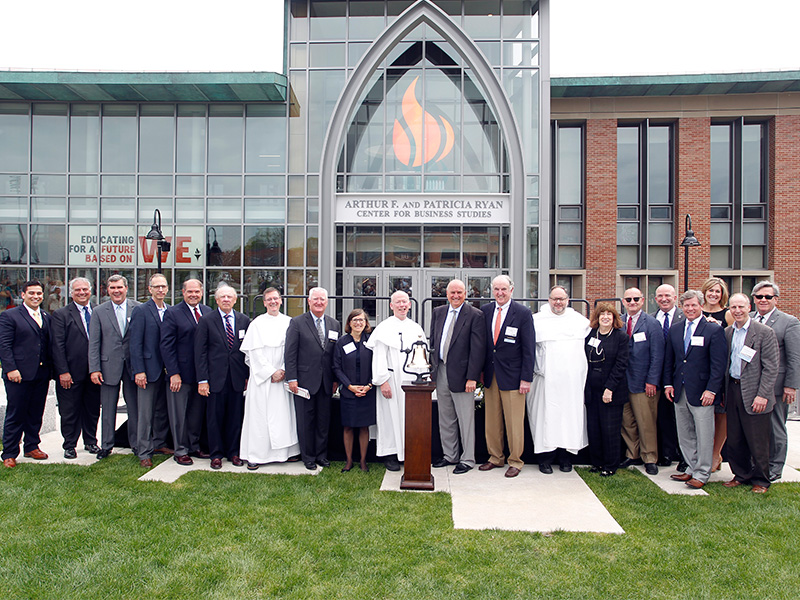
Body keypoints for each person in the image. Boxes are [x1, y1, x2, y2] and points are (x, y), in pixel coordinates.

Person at [663, 290, 727, 489]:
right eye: (687, 306)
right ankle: (690, 468)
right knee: (685, 433)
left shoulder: (713, 330)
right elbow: (670, 360)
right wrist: (668, 383)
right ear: (682, 307)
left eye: (694, 305)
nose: (690, 309)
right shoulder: (675, 329)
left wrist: (712, 390)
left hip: (702, 392)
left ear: (701, 306)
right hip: (679, 390)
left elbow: (719, 365)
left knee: (704, 434)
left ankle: (702, 472)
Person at [529, 285, 590, 473]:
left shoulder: (579, 322)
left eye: (562, 299)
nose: (558, 302)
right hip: (544, 381)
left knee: (568, 419)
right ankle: (545, 459)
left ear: (568, 300)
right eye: (555, 299)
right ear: (549, 300)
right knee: (544, 420)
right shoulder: (537, 321)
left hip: (570, 383)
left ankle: (566, 458)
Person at [478, 275, 535, 478]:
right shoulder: (484, 311)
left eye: (503, 289)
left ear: (512, 289)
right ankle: (495, 457)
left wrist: (526, 378)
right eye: (496, 289)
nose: (500, 293)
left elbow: (529, 349)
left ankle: (515, 461)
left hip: (514, 376)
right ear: (491, 291)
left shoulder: (523, 313)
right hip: (491, 375)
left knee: (514, 422)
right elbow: (483, 345)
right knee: (491, 421)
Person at [722, 293, 779, 493]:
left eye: (741, 307)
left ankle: (761, 480)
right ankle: (741, 474)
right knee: (735, 438)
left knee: (757, 440)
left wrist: (762, 395)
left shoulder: (764, 332)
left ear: (749, 307)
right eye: (733, 307)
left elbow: (771, 368)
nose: (737, 311)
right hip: (733, 389)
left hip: (755, 393)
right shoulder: (728, 332)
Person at [239, 288, 300, 469]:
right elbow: (254, 352)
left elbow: (291, 350)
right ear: (264, 303)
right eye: (269, 299)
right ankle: (256, 455)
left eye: (276, 299)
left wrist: (283, 370)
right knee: (260, 418)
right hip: (263, 380)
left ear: (281, 301)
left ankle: (285, 453)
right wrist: (270, 372)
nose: (273, 302)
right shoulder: (257, 323)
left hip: (282, 377)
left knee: (283, 416)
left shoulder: (289, 322)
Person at [429, 279, 485, 475]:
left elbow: (478, 350)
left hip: (463, 375)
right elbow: (434, 341)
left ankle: (468, 459)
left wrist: (472, 378)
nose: (456, 296)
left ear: (465, 294)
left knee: (465, 419)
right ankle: (449, 455)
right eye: (452, 292)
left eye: (459, 292)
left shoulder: (475, 315)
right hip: (441, 371)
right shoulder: (438, 312)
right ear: (446, 294)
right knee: (445, 417)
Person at [365, 290, 426, 471]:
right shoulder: (384, 327)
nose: (401, 305)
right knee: (390, 418)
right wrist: (382, 381)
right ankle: (391, 455)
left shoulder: (416, 327)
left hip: (411, 381)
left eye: (404, 302)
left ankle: (409, 453)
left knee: (410, 418)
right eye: (398, 302)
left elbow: (421, 355)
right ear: (391, 306)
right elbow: (378, 357)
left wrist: (423, 379)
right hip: (390, 380)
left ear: (409, 305)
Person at [194, 284, 251, 470]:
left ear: (235, 300)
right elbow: (200, 352)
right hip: (214, 379)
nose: (226, 300)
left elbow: (247, 352)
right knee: (214, 418)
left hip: (236, 378)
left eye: (229, 297)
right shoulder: (207, 320)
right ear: (216, 300)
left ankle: (233, 452)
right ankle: (216, 454)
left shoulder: (244, 321)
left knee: (235, 418)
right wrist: (202, 380)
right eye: (222, 297)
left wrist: (248, 376)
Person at [284, 287, 340, 470]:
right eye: (315, 299)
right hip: (304, 382)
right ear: (309, 301)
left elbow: (334, 355)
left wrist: (334, 380)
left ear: (327, 302)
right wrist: (292, 378)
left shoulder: (334, 324)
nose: (319, 302)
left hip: (325, 383)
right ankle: (308, 457)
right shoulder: (297, 322)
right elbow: (290, 353)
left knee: (323, 422)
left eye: (322, 299)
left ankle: (321, 455)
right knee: (306, 421)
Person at [750, 280, 800, 481]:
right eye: (759, 296)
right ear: (753, 299)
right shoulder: (751, 318)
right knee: (757, 427)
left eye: (768, 297)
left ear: (775, 299)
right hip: (753, 384)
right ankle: (758, 463)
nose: (763, 300)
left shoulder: (788, 322)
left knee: (776, 426)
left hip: (777, 385)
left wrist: (791, 385)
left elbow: (795, 356)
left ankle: (775, 467)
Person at [160, 278, 212, 466]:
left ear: (202, 292)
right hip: (180, 376)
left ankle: (194, 446)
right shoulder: (173, 313)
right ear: (183, 293)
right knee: (179, 415)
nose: (193, 295)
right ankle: (180, 450)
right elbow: (166, 346)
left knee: (196, 414)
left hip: (201, 376)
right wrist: (173, 372)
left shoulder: (207, 312)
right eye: (190, 292)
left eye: (197, 292)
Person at [0, 280, 51, 468]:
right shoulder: (10, 316)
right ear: (23, 295)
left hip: (41, 373)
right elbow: (4, 346)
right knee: (16, 413)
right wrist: (11, 369)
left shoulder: (46, 316)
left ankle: (32, 446)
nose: (35, 296)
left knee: (36, 412)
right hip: (18, 374)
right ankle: (10, 453)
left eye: (39, 293)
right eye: (31, 293)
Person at [89, 275, 140, 460]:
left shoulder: (138, 308)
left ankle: (136, 444)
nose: (116, 291)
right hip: (108, 366)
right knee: (108, 407)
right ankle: (106, 445)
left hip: (133, 366)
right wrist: (94, 369)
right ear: (107, 290)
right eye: (112, 288)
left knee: (134, 407)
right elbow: (93, 342)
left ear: (126, 288)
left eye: (119, 287)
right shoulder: (99, 311)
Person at [50, 277, 101, 459]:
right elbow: (57, 345)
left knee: (92, 409)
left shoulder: (98, 311)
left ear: (90, 290)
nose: (82, 293)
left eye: (85, 289)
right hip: (70, 373)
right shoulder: (61, 314)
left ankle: (91, 441)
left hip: (94, 373)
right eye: (77, 290)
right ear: (71, 293)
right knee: (69, 410)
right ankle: (70, 445)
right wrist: (63, 371)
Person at [619, 287, 664, 475]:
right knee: (627, 421)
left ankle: (650, 457)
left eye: (636, 299)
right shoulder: (619, 321)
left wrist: (652, 381)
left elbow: (657, 355)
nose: (632, 302)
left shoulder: (652, 324)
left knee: (646, 422)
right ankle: (633, 453)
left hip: (644, 383)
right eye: (628, 299)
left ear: (643, 300)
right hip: (623, 382)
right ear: (623, 302)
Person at [129, 273, 172, 469]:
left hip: (166, 371)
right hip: (148, 370)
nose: (160, 290)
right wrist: (139, 370)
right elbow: (135, 343)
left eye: (163, 286)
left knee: (162, 411)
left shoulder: (170, 310)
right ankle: (144, 451)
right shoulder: (141, 311)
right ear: (150, 289)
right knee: (145, 413)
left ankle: (159, 443)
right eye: (157, 287)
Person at [584, 302, 629, 476]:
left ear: (614, 318)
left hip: (611, 391)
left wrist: (609, 388)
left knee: (609, 429)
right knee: (594, 428)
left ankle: (610, 465)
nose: (605, 317)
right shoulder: (590, 335)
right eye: (602, 314)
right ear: (597, 317)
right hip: (592, 390)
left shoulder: (621, 337)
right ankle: (596, 462)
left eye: (609, 314)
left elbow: (621, 364)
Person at [333, 308, 377, 473]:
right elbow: (336, 368)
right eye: (355, 320)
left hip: (367, 390)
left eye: (362, 320)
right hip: (348, 392)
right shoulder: (341, 342)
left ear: (366, 323)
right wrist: (350, 386)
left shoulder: (372, 341)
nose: (358, 323)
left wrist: (369, 385)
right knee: (348, 427)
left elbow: (377, 365)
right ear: (349, 323)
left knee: (364, 427)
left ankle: (364, 461)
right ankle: (349, 461)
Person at [701, 277, 734, 472]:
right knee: (706, 414)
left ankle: (716, 454)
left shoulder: (728, 314)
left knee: (721, 414)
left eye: (717, 292)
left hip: (721, 371)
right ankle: (704, 454)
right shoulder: (697, 311)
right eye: (710, 291)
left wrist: (717, 327)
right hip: (701, 370)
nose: (713, 295)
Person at [652, 284, 686, 469]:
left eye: (667, 295)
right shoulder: (651, 319)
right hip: (658, 377)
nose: (664, 299)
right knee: (664, 417)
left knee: (682, 419)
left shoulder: (684, 317)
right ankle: (666, 453)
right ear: (655, 299)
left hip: (680, 376)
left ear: (675, 297)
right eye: (660, 296)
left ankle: (683, 456)